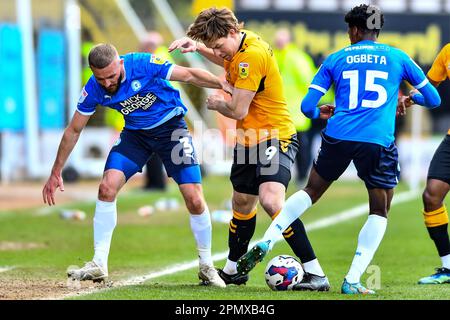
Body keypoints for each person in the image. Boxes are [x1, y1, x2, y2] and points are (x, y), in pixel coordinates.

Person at [237, 4, 441, 294]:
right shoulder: (399, 56)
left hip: (338, 136)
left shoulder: (334, 59)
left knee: (311, 191)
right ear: (376, 30)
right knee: (379, 209)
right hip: (376, 141)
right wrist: (407, 100)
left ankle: (269, 238)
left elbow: (307, 108)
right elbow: (433, 99)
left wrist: (324, 110)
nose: (349, 34)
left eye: (349, 30)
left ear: (356, 30)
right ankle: (353, 280)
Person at [42, 43, 231, 287]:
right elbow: (74, 130)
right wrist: (56, 171)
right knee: (106, 187)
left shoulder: (142, 63)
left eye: (111, 76)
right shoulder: (93, 89)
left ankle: (206, 265)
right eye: (101, 79)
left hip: (170, 129)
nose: (108, 83)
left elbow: (189, 74)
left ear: (120, 63)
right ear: (92, 72)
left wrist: (223, 84)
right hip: (135, 136)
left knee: (194, 198)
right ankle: (99, 262)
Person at [169, 7, 329, 290]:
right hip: (248, 139)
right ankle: (233, 271)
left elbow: (237, 109)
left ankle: (316, 273)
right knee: (242, 203)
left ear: (232, 32)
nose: (219, 52)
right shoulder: (241, 43)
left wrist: (219, 103)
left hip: (274, 136)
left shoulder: (251, 57)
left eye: (218, 46)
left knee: (271, 201)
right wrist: (197, 48)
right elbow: (226, 58)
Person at [410, 43, 450, 285]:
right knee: (432, 195)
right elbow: (429, 88)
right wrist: (408, 99)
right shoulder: (447, 52)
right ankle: (448, 266)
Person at [273, 28, 317, 184]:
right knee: (279, 146)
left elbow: (309, 82)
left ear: (288, 41)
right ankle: (280, 176)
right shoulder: (274, 56)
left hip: (296, 112)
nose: (278, 42)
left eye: (281, 39)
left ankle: (302, 176)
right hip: (279, 111)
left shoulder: (298, 58)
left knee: (301, 147)